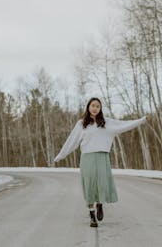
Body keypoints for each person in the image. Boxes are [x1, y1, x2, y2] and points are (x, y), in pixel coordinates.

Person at [54, 97, 149, 228]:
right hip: (87, 158)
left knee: (101, 185)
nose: (95, 108)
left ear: (100, 109)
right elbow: (72, 141)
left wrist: (141, 120)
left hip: (102, 158)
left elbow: (124, 125)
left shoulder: (106, 122)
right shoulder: (81, 124)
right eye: (93, 105)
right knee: (89, 186)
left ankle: (99, 204)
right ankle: (92, 215)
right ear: (88, 107)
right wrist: (60, 155)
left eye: (97, 106)